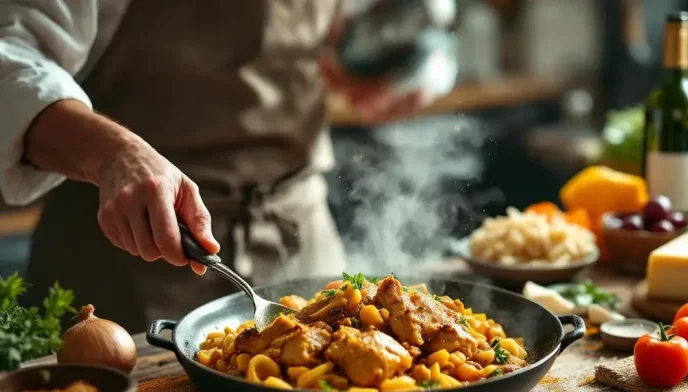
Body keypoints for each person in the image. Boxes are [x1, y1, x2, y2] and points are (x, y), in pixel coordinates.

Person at [0, 1, 431, 333]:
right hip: (134, 257)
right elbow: (12, 59)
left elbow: (388, 18)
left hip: (301, 233)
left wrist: (412, 60)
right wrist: (114, 155)